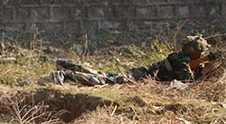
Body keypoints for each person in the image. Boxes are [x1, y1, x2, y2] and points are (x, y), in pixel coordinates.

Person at [40, 35, 222, 86]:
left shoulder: (183, 58)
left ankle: (66, 65)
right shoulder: (179, 60)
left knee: (102, 75)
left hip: (138, 75)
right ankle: (63, 74)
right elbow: (187, 81)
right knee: (102, 81)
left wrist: (208, 63)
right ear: (196, 53)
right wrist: (206, 64)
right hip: (138, 78)